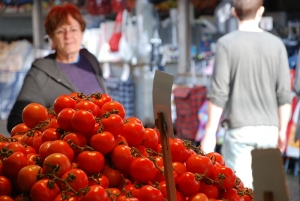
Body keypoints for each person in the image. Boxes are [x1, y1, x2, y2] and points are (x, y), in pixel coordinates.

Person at [200, 0, 292, 188]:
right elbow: (284, 95)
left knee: (241, 191)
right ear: (261, 12)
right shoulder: (277, 45)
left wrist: (209, 133)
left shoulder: (226, 44)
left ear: (234, 13)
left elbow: (218, 93)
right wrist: (283, 131)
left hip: (238, 132)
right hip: (269, 131)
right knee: (268, 190)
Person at [7, 3, 107, 133]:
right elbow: (15, 122)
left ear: (82, 32)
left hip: (101, 145)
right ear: (52, 38)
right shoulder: (40, 72)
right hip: (68, 148)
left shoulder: (90, 60)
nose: (68, 36)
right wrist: (52, 135)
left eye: (73, 29)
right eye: (60, 31)